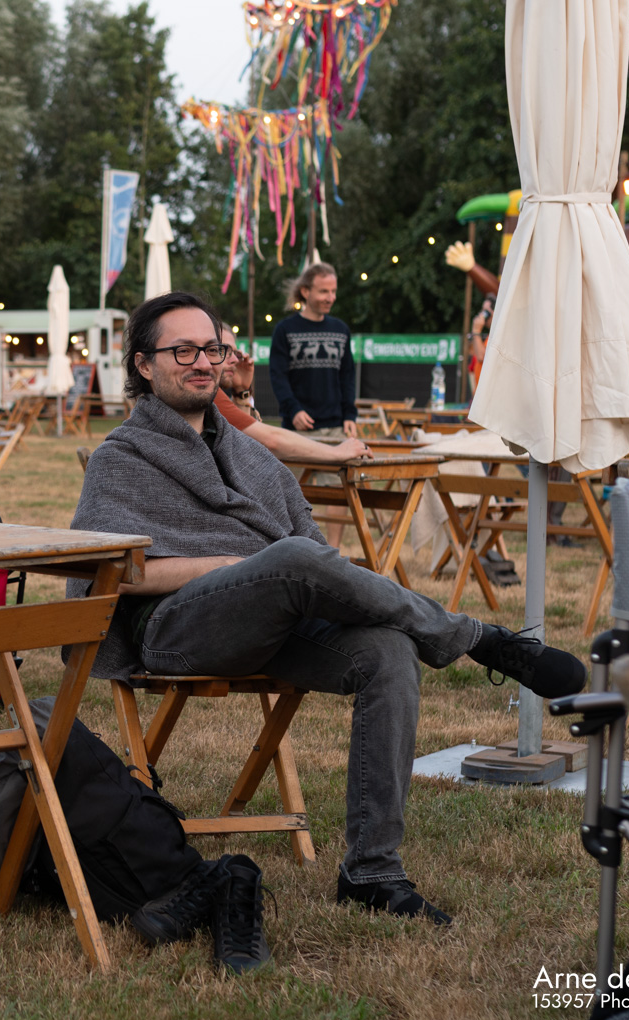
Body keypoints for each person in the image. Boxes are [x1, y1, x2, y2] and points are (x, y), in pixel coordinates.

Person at [71, 291, 585, 934]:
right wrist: (226, 566)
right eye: (183, 351)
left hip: (272, 623)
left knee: (388, 651)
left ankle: (372, 872)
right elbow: (113, 569)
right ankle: (480, 638)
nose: (202, 362)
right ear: (144, 364)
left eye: (212, 348)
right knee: (294, 558)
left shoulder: (249, 454)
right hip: (175, 631)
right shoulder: (121, 457)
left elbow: (310, 549)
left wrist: (280, 572)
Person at [216, 329, 370, 462]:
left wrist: (242, 391)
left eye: (235, 353)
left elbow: (243, 441)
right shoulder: (212, 395)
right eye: (224, 350)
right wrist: (337, 452)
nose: (235, 360)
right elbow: (270, 441)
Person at [268, 263, 357, 435]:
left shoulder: (341, 330)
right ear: (305, 291)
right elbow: (278, 377)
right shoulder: (284, 330)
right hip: (298, 428)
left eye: (333, 291)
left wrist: (349, 415)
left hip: (337, 428)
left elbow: (348, 377)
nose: (331, 298)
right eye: (324, 291)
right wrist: (294, 410)